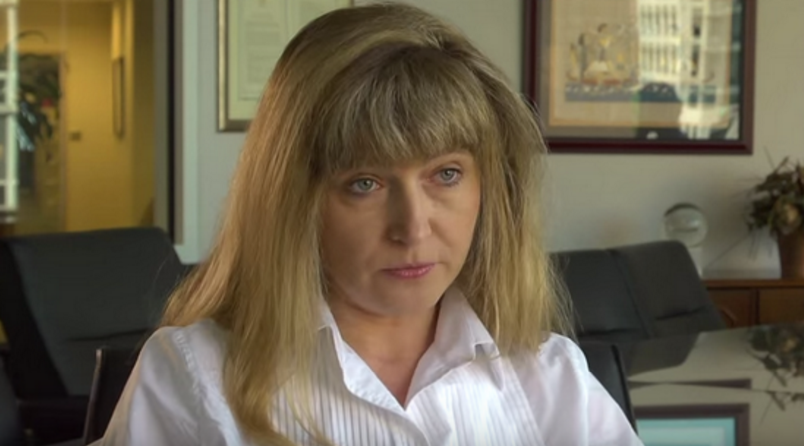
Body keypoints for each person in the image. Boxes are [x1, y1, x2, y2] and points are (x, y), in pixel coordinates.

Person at [98, 3, 643, 445]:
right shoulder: (194, 376)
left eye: (446, 174)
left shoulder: (548, 375)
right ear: (293, 201)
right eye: (365, 183)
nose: (413, 228)